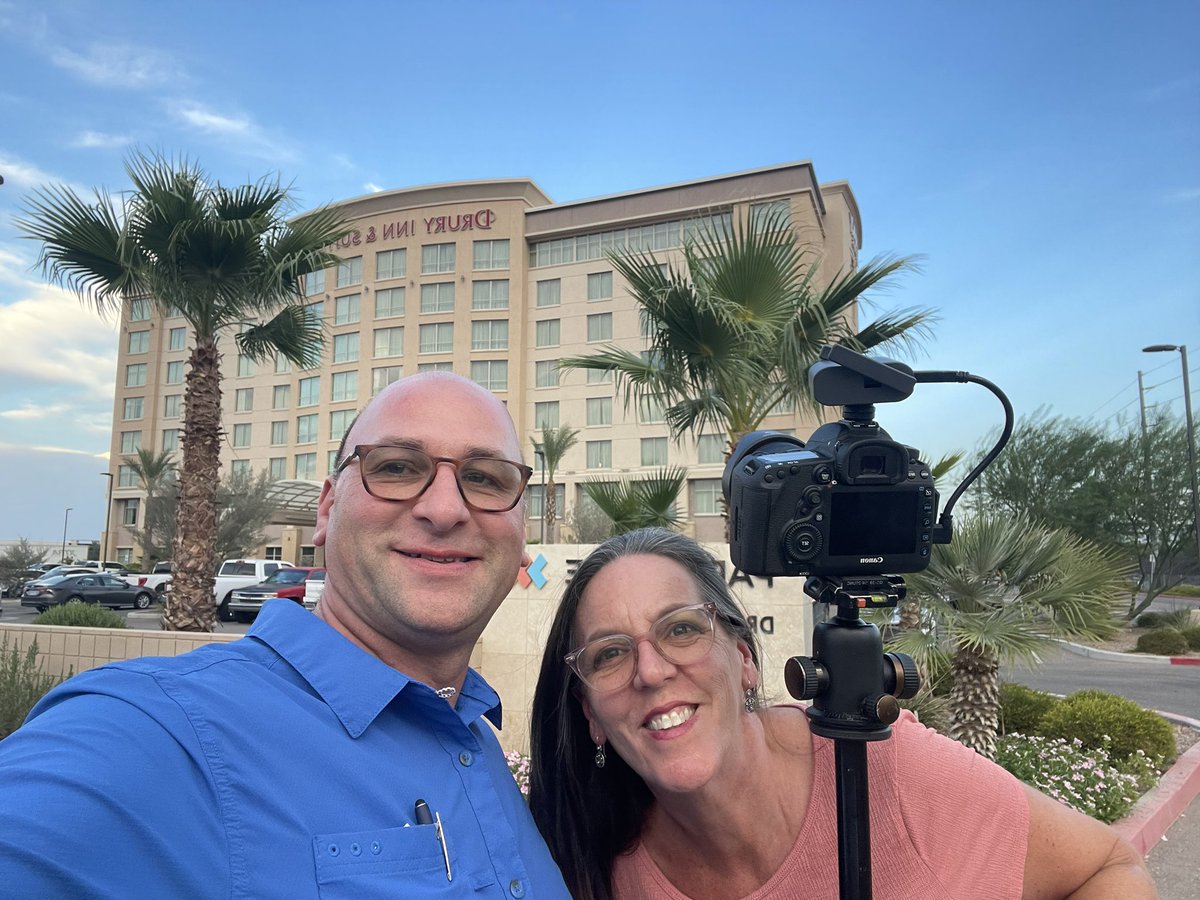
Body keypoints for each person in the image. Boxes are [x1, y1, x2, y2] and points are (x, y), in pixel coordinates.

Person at [0, 372, 570, 898]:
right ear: (326, 509)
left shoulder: (477, 738)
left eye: (485, 478)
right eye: (396, 467)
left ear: (520, 533)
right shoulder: (163, 731)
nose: (445, 509)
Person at [529, 527, 1157, 900]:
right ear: (588, 711)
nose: (652, 670)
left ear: (745, 659)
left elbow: (1109, 868)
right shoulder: (604, 873)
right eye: (610, 654)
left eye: (682, 629)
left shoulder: (883, 769)